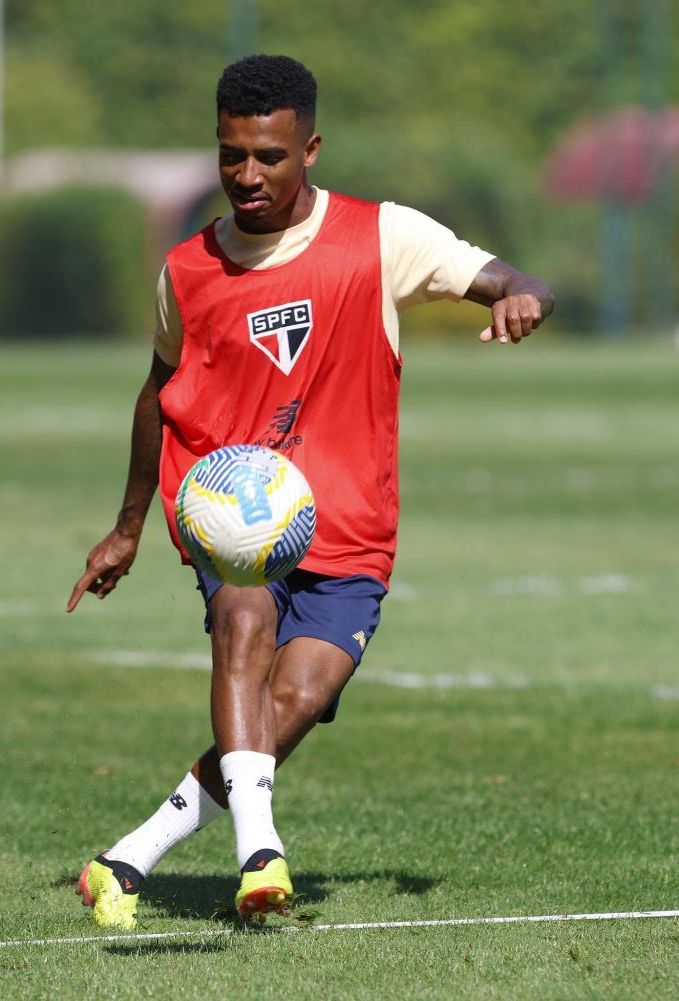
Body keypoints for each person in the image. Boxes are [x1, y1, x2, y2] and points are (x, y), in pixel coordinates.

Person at [67, 54, 554, 928]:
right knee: (242, 618)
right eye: (230, 155)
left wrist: (522, 298)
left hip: (350, 523)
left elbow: (515, 278)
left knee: (290, 702)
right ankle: (261, 853)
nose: (247, 176)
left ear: (311, 148)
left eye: (269, 156)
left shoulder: (379, 235)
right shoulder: (187, 269)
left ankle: (125, 859)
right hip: (232, 504)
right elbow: (157, 390)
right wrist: (127, 526)